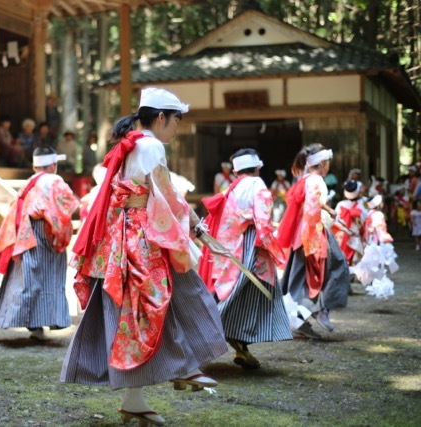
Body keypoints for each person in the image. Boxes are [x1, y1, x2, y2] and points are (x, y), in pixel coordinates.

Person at [61, 87, 228, 426]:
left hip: (123, 235)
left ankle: (138, 397)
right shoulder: (150, 145)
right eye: (176, 120)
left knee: (134, 313)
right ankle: (186, 368)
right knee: (168, 297)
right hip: (144, 235)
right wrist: (196, 227)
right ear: (161, 117)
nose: (177, 127)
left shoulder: (133, 143)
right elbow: (166, 195)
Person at [198, 149, 292, 369]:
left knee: (234, 296)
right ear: (258, 167)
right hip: (251, 246)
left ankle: (241, 349)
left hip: (230, 247)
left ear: (235, 170)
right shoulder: (258, 185)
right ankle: (201, 340)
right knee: (247, 298)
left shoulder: (234, 186)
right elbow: (263, 221)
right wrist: (276, 251)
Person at [0, 146, 79, 340]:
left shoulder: (29, 182)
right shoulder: (55, 180)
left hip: (25, 233)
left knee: (28, 276)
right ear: (53, 165)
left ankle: (30, 323)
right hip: (45, 232)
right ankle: (44, 320)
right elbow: (68, 205)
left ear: (34, 166)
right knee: (49, 275)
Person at [277, 143, 348, 338]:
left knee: (298, 278)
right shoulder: (316, 180)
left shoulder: (306, 178)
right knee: (336, 267)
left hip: (302, 233)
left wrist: (329, 210)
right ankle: (319, 310)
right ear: (323, 163)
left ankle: (299, 318)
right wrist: (314, 242)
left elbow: (313, 203)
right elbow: (310, 210)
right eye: (328, 163)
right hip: (312, 233)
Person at [334, 180, 367, 267]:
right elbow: (365, 221)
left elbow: (336, 221)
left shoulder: (340, 205)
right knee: (356, 260)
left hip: (342, 236)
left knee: (343, 258)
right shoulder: (362, 204)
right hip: (356, 236)